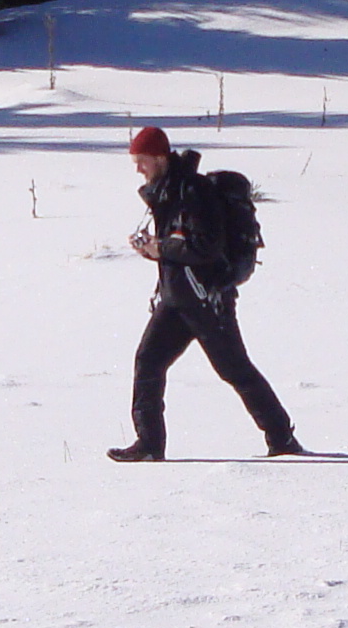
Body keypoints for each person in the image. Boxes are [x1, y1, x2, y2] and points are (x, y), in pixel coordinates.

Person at [108, 125, 302, 462]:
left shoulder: (193, 192)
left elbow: (206, 247)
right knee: (148, 361)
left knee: (234, 369)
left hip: (206, 300)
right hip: (177, 298)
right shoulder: (168, 192)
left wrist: (160, 248)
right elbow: (179, 246)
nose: (138, 169)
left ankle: (282, 438)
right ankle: (149, 445)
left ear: (159, 158)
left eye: (142, 161)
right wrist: (153, 249)